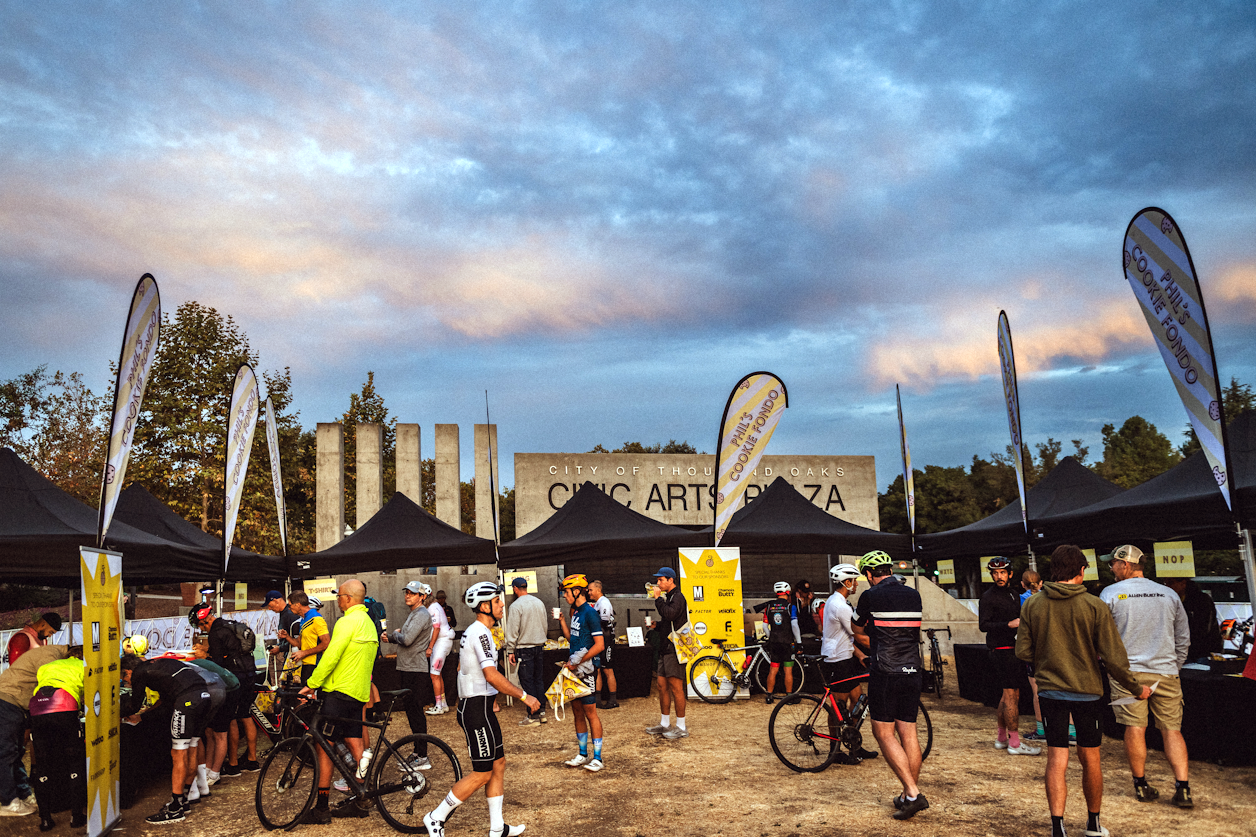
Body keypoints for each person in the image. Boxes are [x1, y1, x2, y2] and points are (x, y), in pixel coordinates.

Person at [1017, 544, 1151, 837]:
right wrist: (1136, 688)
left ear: (1053, 570)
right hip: (1088, 692)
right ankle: (1092, 823)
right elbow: (1114, 658)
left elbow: (1023, 651)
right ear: (1081, 570)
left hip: (1050, 691)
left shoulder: (1033, 604)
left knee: (1056, 758)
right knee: (1090, 758)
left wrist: (1050, 657)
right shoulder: (1094, 605)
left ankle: (1057, 827)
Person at [423, 582, 540, 837]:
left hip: (481, 707)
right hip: (476, 709)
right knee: (482, 772)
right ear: (484, 606)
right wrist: (524, 696)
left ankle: (497, 827)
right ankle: (435, 817)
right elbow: (491, 674)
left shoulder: (479, 630)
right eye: (497, 602)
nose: (501, 605)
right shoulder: (481, 632)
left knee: (498, 763)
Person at [1099, 544, 1193, 808]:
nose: (1111, 568)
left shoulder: (1110, 593)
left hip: (1127, 673)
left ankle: (1140, 783)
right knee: (1172, 730)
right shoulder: (1168, 594)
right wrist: (1175, 665)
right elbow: (1183, 637)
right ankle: (1183, 787)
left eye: (1113, 564)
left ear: (1126, 565)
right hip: (1165, 671)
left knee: (1135, 728)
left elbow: (1101, 636)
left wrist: (1110, 665)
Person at [852, 550, 929, 821]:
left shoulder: (870, 595)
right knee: (908, 731)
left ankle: (912, 792)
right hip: (913, 668)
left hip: (885, 670)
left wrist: (870, 646)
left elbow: (857, 629)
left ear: (870, 574)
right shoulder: (913, 594)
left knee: (883, 733)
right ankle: (909, 794)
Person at [299, 579, 380, 824]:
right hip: (357, 693)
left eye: (339, 596)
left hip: (339, 693)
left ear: (348, 598)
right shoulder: (368, 623)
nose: (337, 599)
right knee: (356, 744)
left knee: (325, 747)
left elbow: (331, 656)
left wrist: (311, 684)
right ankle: (361, 798)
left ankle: (321, 808)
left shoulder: (347, 622)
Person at [121, 653, 224, 825]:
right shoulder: (159, 664)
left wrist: (116, 713)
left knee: (178, 753)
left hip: (188, 701)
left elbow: (135, 704)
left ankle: (175, 807)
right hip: (204, 697)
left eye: (125, 680)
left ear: (128, 672)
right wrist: (145, 717)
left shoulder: (139, 672)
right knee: (192, 748)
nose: (127, 684)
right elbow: (166, 700)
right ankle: (183, 799)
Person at [980, 557, 1040, 756]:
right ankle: (1014, 743)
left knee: (1006, 695)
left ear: (1010, 573)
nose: (999, 576)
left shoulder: (1014, 593)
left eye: (1003, 572)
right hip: (1002, 650)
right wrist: (1008, 624)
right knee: (1012, 695)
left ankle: (1002, 738)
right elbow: (983, 625)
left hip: (1014, 649)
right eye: (995, 573)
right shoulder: (988, 596)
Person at [0, 644, 69, 818]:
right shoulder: (51, 658)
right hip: (7, 702)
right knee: (5, 754)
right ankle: (9, 802)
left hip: (16, 705)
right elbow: (55, 687)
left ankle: (23, 795)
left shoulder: (53, 654)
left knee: (16, 753)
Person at [192, 604, 261, 775]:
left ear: (203, 623)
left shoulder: (215, 633)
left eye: (200, 626)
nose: (202, 629)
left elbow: (217, 664)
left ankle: (233, 763)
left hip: (235, 678)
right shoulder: (230, 625)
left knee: (231, 719)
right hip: (250, 672)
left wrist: (203, 656)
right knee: (246, 715)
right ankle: (252, 760)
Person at [820, 563, 875, 763]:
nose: (857, 586)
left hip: (846, 656)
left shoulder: (839, 601)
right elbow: (857, 634)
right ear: (846, 582)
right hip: (837, 660)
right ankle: (834, 751)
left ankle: (854, 744)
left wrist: (860, 655)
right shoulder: (840, 606)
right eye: (854, 582)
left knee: (858, 701)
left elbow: (848, 637)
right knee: (838, 706)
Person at [27, 648, 86, 831]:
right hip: (64, 705)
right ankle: (76, 817)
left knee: (42, 765)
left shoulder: (47, 666)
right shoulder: (83, 665)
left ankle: (45, 819)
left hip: (37, 708)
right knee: (74, 761)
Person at [382, 580, 435, 769]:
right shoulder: (415, 613)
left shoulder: (421, 614)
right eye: (407, 592)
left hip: (415, 669)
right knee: (412, 712)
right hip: (408, 667)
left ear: (422, 596)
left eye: (412, 593)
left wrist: (395, 635)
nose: (408, 595)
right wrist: (394, 635)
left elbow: (407, 639)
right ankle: (417, 752)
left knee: (416, 712)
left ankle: (422, 756)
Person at [557, 574, 606, 771]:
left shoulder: (590, 613)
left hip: (586, 670)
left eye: (567, 592)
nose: (565, 596)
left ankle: (598, 757)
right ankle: (582, 753)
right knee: (577, 711)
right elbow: (575, 639)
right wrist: (562, 622)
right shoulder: (576, 613)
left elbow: (600, 645)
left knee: (590, 712)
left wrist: (578, 660)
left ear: (577, 591)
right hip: (574, 669)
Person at [645, 567, 689, 740]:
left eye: (661, 580)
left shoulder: (678, 597)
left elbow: (670, 614)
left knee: (676, 688)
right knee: (662, 686)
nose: (658, 583)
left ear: (671, 580)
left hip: (675, 649)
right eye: (658, 580)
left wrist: (657, 599)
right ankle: (664, 724)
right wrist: (657, 626)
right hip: (666, 648)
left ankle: (681, 726)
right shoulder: (669, 597)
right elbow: (670, 622)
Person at [186, 656, 240, 790]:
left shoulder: (183, 671)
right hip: (215, 687)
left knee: (220, 734)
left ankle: (215, 774)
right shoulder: (182, 667)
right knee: (209, 732)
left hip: (229, 689)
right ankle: (207, 769)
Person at [503, 577, 548, 726]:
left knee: (527, 681)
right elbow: (545, 625)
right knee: (538, 679)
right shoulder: (539, 603)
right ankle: (542, 711)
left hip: (524, 648)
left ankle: (533, 715)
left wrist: (510, 649)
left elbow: (513, 630)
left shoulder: (516, 606)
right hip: (539, 645)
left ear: (515, 588)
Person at [1164, 577, 1223, 663]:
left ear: (1183, 584)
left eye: (1171, 582)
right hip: (1179, 650)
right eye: (1165, 583)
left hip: (1202, 651)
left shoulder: (1201, 600)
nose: (1167, 586)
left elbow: (1204, 627)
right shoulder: (1169, 600)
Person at [762, 581, 801, 704]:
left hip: (774, 642)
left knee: (773, 669)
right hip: (787, 642)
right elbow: (794, 625)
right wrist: (799, 641)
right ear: (788, 592)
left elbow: (764, 626)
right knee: (788, 670)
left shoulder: (768, 606)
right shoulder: (790, 606)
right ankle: (788, 697)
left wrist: (771, 637)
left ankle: (769, 695)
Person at [1020, 570, 1047, 741]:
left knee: (1037, 693)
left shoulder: (1022, 600)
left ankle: (1041, 730)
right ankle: (1072, 731)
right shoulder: (1049, 597)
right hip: (1051, 648)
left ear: (1022, 584)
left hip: (1034, 650)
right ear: (1041, 582)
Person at [587, 580, 619, 709]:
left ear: (598, 590)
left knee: (607, 669)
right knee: (598, 668)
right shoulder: (597, 603)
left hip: (606, 639)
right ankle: (598, 699)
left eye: (590, 590)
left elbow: (604, 621)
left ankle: (613, 699)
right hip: (599, 638)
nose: (589, 592)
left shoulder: (604, 602)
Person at [288, 593, 331, 684]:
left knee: (308, 696)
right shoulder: (303, 619)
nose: (289, 608)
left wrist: (304, 653)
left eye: (290, 605)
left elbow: (326, 643)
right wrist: (286, 636)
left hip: (315, 664)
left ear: (298, 604)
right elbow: (299, 644)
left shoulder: (316, 619)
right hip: (306, 664)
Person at [426, 588, 456, 716]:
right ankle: (442, 704)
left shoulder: (433, 607)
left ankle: (439, 705)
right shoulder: (435, 606)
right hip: (442, 641)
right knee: (437, 674)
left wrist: (430, 647)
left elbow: (436, 628)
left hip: (441, 642)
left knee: (434, 674)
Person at [266, 590, 301, 665]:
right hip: (291, 655)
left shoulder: (290, 614)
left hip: (295, 656)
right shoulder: (284, 613)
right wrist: (279, 646)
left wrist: (280, 648)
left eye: (269, 605)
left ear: (275, 601)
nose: (269, 608)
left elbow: (298, 639)